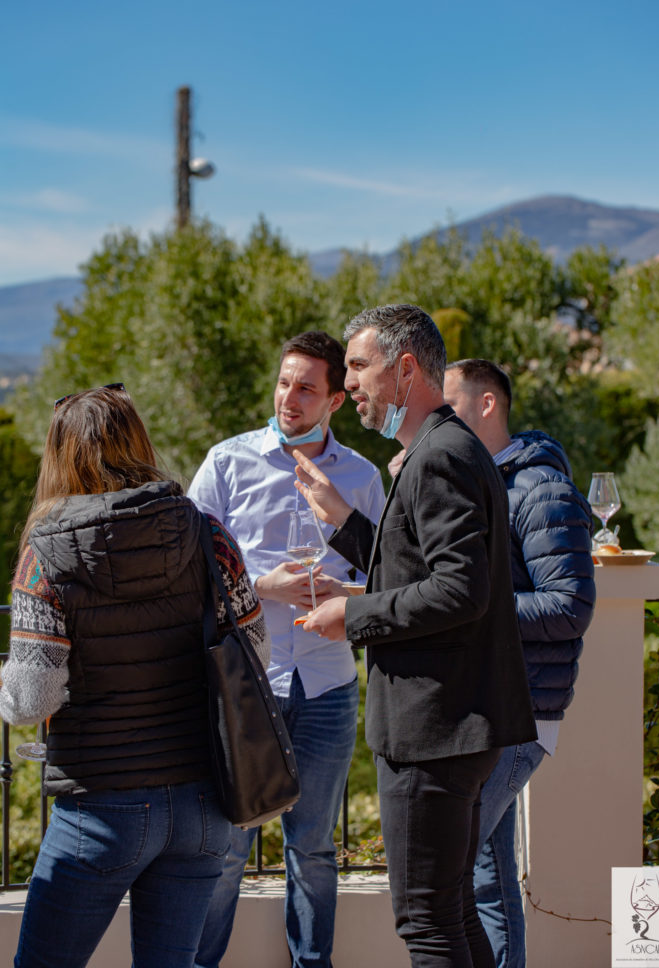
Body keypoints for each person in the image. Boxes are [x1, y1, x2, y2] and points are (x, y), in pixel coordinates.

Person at [293, 305, 537, 968]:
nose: (352, 386)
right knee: (451, 911)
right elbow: (423, 568)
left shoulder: (436, 458)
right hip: (451, 726)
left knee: (426, 922)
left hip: (435, 728)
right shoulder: (446, 448)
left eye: (359, 367)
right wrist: (346, 524)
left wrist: (354, 617)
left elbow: (460, 590)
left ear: (405, 368)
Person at [0, 384, 270, 968]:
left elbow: (30, 699)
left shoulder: (44, 556)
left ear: (60, 454)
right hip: (203, 802)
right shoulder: (208, 534)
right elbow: (254, 651)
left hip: (100, 807)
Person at [188, 331, 385, 968]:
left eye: (306, 387)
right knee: (225, 848)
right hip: (247, 684)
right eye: (283, 382)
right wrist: (257, 586)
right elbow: (188, 565)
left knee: (316, 848)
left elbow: (390, 579)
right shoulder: (227, 462)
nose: (289, 397)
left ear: (333, 400)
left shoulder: (361, 476)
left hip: (327, 686)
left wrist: (344, 595)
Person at [443, 359, 595, 968]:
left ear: (486, 405)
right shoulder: (484, 485)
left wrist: (473, 607)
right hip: (493, 709)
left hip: (520, 714)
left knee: (448, 868)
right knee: (487, 872)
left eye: (447, 407)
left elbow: (570, 605)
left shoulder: (538, 488)